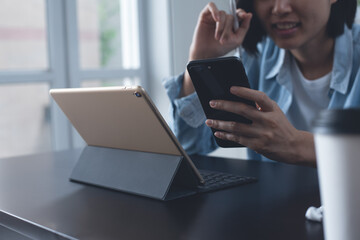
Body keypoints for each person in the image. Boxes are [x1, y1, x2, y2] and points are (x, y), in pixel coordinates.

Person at [163, 0, 360, 167]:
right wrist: (199, 59)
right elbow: (189, 150)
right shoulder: (257, 58)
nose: (280, 8)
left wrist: (296, 145)